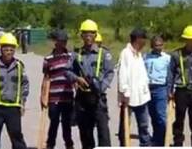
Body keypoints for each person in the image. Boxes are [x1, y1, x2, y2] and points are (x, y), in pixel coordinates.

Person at [67, 19, 114, 149]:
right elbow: (67, 71)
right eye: (85, 34)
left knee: (103, 133)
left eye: (91, 34)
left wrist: (100, 86)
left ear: (95, 35)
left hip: (98, 98)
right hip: (82, 98)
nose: (88, 37)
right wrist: (77, 79)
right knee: (86, 134)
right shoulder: (76, 54)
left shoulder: (104, 53)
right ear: (81, 35)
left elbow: (110, 72)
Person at [41, 29, 75, 149]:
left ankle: (69, 145)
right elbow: (46, 78)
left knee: (67, 124)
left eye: (65, 41)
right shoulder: (48, 59)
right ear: (56, 42)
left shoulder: (71, 56)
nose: (63, 44)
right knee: (54, 123)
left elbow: (75, 75)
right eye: (60, 41)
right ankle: (50, 145)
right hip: (53, 97)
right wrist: (43, 97)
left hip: (67, 96)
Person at [117, 28, 152, 146]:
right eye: (144, 40)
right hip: (129, 97)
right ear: (138, 39)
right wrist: (125, 93)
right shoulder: (126, 53)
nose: (145, 43)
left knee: (143, 125)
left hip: (141, 97)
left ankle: (145, 145)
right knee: (125, 125)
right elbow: (122, 75)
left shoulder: (139, 54)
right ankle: (124, 145)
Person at [169, 25, 192, 146]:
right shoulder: (176, 54)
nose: (191, 42)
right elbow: (171, 74)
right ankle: (178, 143)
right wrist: (169, 91)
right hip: (181, 91)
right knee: (179, 119)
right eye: (189, 39)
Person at [144, 35, 171, 146]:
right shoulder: (146, 57)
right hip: (149, 88)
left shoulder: (167, 58)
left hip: (161, 88)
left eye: (160, 45)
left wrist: (170, 90)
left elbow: (170, 75)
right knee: (153, 115)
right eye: (156, 45)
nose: (158, 47)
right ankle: (156, 138)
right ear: (152, 46)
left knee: (161, 116)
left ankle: (163, 140)